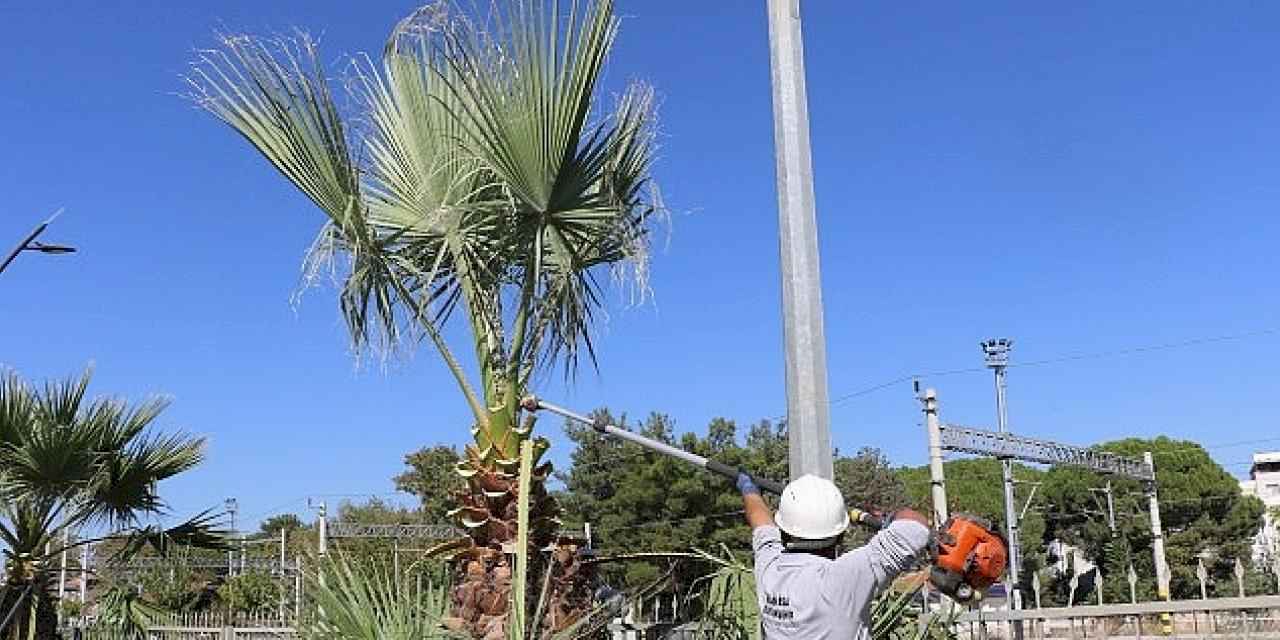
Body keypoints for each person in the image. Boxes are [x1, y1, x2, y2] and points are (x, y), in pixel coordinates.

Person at [738, 472, 932, 640]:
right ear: (840, 535)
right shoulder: (844, 578)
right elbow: (915, 527)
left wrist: (749, 490)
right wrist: (892, 517)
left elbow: (760, 521)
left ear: (783, 528)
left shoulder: (769, 566)